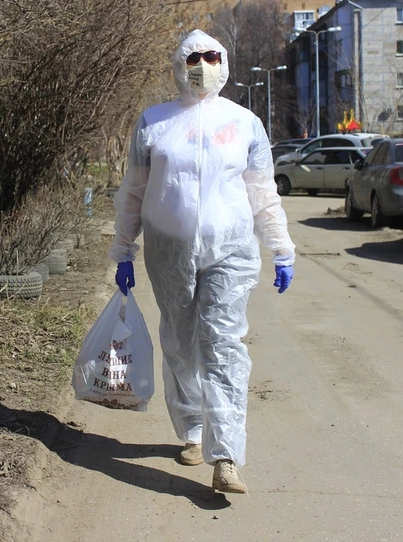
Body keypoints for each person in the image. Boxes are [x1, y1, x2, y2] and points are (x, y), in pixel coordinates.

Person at [109, 29, 295, 495]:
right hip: (168, 249)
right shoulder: (153, 122)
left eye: (212, 56)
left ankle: (226, 454)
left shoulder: (245, 123)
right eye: (194, 56)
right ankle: (192, 427)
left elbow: (262, 191)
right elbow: (133, 191)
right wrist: (122, 248)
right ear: (178, 64)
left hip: (230, 249)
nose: (203, 64)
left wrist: (281, 246)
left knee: (222, 343)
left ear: (224, 62)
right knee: (179, 339)